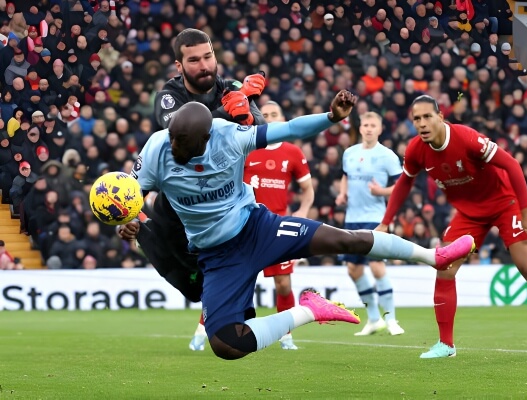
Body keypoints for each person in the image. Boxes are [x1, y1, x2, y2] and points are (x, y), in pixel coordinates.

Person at [120, 91, 476, 360]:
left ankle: (434, 256)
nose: (175, 149)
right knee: (226, 345)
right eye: (173, 140)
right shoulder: (157, 149)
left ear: (206, 137)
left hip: (256, 228)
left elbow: (289, 128)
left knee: (343, 240)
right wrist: (130, 220)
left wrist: (331, 117)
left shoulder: (230, 137)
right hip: (217, 256)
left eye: (184, 145)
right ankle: (310, 310)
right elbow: (131, 194)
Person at [376, 95, 527, 358]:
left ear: (441, 117)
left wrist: (526, 210)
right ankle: (446, 345)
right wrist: (385, 222)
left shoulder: (466, 138)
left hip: (504, 203)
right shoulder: (416, 149)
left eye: (428, 116)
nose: (422, 123)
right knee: (444, 268)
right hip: (469, 214)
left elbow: (511, 164)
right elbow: (405, 183)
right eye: (417, 119)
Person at [124, 28, 267, 314]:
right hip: (178, 205)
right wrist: (232, 113)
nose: (204, 66)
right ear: (179, 66)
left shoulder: (232, 87)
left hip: (224, 204)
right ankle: (143, 231)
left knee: (228, 293)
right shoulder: (168, 97)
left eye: (208, 57)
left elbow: (260, 130)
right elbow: (186, 135)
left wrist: (246, 112)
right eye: (193, 60)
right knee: (192, 290)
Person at [189, 101, 313, 351]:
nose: (268, 117)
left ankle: (286, 336)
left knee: (284, 284)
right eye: (264, 114)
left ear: (282, 117)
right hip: (245, 226)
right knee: (232, 285)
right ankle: (201, 332)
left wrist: (302, 211)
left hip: (276, 227)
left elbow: (307, 190)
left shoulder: (292, 152)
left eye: (274, 114)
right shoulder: (247, 148)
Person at [335, 111, 404, 337]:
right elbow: (345, 176)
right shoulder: (350, 153)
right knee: (353, 269)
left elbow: (401, 186)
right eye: (365, 125)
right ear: (361, 127)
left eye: (373, 125)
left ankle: (391, 319)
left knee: (376, 266)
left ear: (380, 129)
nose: (369, 129)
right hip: (352, 219)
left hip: (376, 218)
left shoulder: (388, 156)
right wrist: (342, 194)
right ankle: (374, 318)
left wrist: (381, 191)